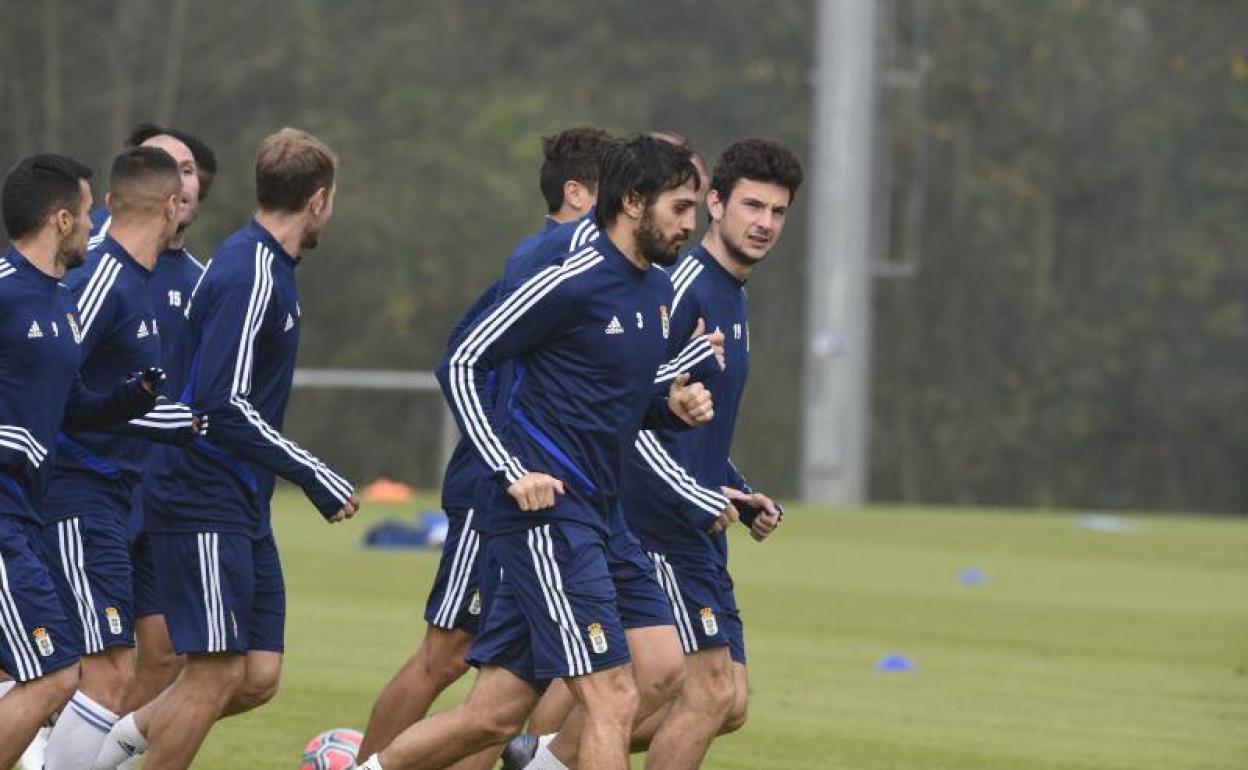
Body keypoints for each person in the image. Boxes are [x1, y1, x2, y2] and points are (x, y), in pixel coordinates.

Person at [355, 135, 712, 770]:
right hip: (547, 518)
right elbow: (460, 362)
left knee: (517, 707)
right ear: (633, 201)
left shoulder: (658, 291)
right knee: (611, 694)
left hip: (604, 516)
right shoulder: (569, 279)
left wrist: (671, 406)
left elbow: (620, 404)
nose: (692, 224)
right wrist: (510, 468)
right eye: (681, 208)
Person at [93, 127, 359, 770]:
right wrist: (314, 472)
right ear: (319, 200)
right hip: (202, 494)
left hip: (241, 499)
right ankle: (110, 750)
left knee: (257, 676)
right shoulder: (251, 271)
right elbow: (223, 404)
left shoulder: (268, 267)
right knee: (211, 674)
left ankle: (114, 743)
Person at [621, 138, 802, 769]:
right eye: (752, 205)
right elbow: (633, 418)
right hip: (658, 525)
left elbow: (697, 432)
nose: (764, 223)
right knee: (708, 692)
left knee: (730, 704)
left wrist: (737, 489)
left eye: (778, 212)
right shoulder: (685, 289)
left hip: (700, 524)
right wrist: (694, 492)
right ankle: (552, 755)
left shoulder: (735, 294)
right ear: (716, 204)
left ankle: (547, 754)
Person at [38, 146, 200, 769]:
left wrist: (179, 422)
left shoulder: (139, 280)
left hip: (115, 496)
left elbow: (103, 400)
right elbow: (50, 390)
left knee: (105, 671)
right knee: (102, 676)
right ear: (168, 204)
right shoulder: (104, 278)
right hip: (77, 493)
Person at [0, 153, 161, 770]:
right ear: (60, 219)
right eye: (90, 214)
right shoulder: (7, 294)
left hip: (25, 517)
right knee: (54, 676)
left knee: (44, 674)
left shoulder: (63, 304)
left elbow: (74, 410)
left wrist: (130, 397)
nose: (96, 227)